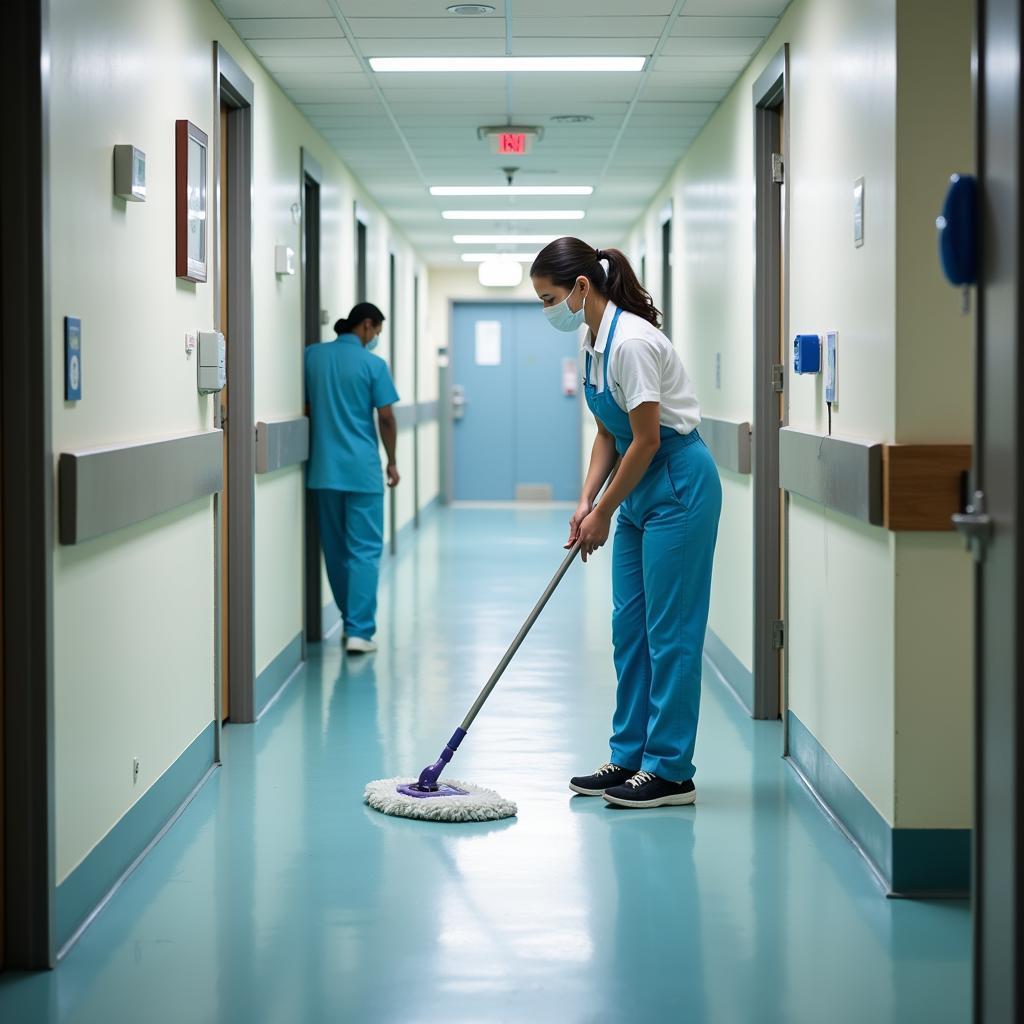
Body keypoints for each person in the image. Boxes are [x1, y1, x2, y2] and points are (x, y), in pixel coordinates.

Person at [530, 238, 722, 808]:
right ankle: (629, 757)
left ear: (581, 288)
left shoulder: (632, 343)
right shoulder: (594, 340)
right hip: (634, 489)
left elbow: (647, 439)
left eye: (548, 298)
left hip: (677, 486)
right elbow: (607, 434)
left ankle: (670, 771)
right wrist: (586, 501)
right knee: (629, 629)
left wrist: (605, 511)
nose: (547, 310)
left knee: (671, 633)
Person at [305, 302, 400, 654]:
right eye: (375, 332)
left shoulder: (311, 356)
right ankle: (359, 631)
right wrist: (392, 460)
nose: (374, 338)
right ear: (365, 326)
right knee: (363, 552)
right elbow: (387, 418)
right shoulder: (373, 364)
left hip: (323, 472)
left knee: (335, 550)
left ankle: (348, 621)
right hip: (362, 472)